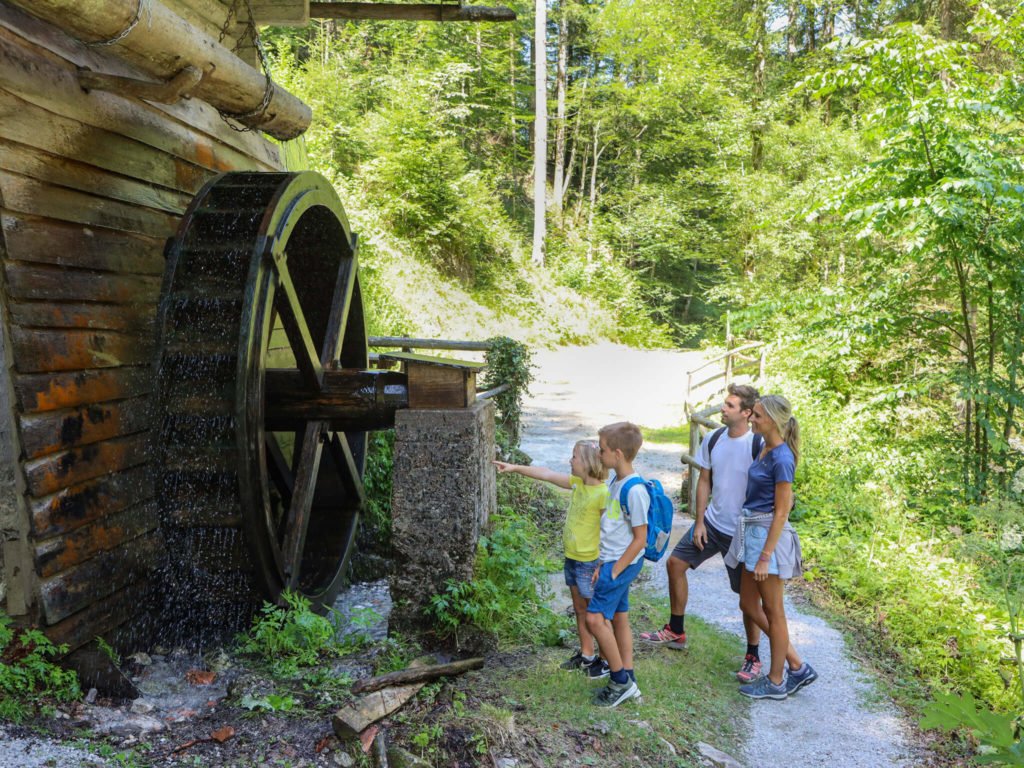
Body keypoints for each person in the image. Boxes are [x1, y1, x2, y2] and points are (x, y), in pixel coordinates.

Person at [639, 383, 766, 683]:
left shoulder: (758, 445)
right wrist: (698, 521)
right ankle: (676, 630)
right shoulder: (714, 438)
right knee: (675, 564)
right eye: (724, 403)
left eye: (730, 405)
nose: (723, 408)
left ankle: (753, 656)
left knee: (747, 599)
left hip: (743, 532)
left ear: (747, 413)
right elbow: (704, 480)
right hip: (712, 523)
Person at [726, 394, 818, 699]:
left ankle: (777, 681)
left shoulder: (782, 458)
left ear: (775, 421)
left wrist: (766, 556)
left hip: (769, 539)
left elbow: (782, 511)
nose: (752, 418)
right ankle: (796, 665)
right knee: (748, 605)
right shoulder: (765, 448)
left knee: (774, 611)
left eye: (759, 416)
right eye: (753, 414)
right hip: (753, 533)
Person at [493, 441, 609, 672]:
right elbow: (546, 474)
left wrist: (602, 563)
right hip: (572, 558)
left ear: (587, 463)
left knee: (597, 612)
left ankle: (606, 660)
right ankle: (587, 653)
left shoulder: (604, 494)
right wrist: (514, 468)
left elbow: (610, 532)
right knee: (579, 608)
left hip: (590, 562)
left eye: (574, 456)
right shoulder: (577, 483)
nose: (570, 460)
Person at [585, 421, 649, 708]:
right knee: (619, 616)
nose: (599, 455)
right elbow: (613, 530)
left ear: (618, 454)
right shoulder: (616, 482)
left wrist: (614, 569)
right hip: (611, 561)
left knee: (595, 619)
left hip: (621, 564)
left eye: (602, 450)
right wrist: (602, 562)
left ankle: (620, 681)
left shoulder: (634, 491)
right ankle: (629, 674)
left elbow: (640, 539)